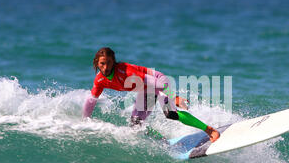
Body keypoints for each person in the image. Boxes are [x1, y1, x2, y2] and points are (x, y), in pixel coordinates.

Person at [82, 47, 220, 142]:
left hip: (158, 82)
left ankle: (210, 130)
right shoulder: (100, 80)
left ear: (114, 62)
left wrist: (174, 97)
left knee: (171, 114)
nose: (106, 67)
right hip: (145, 89)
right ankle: (164, 142)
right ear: (97, 63)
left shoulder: (126, 72)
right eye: (102, 64)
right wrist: (85, 121)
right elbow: (91, 100)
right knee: (136, 125)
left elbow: (160, 85)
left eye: (109, 63)